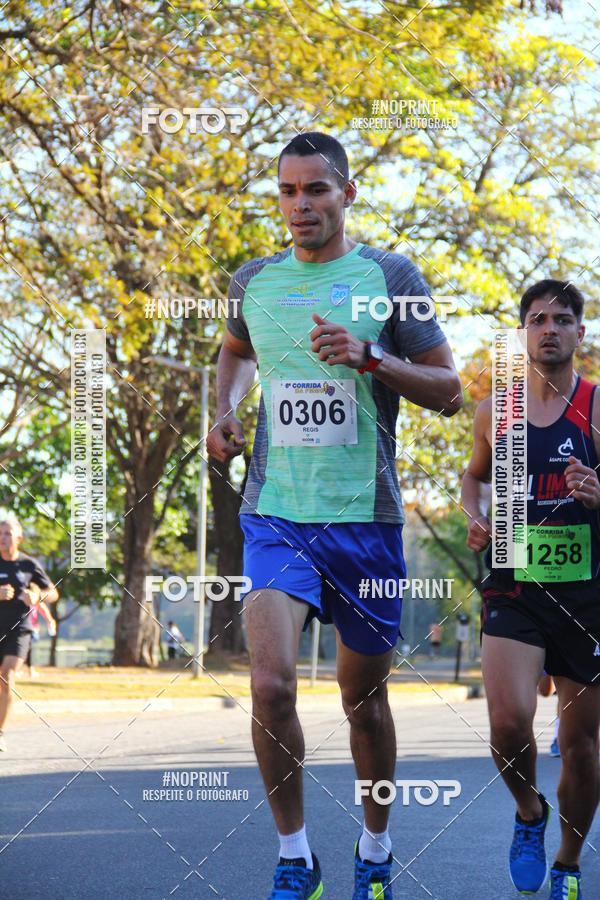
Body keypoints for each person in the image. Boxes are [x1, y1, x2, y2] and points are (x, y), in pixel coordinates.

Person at [207, 131, 462, 899]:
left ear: (347, 194)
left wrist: (370, 357)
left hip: (367, 523)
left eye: (316, 189)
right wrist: (224, 410)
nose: (301, 205)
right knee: (270, 686)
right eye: (288, 191)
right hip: (276, 514)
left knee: (363, 702)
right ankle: (295, 856)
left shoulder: (391, 276)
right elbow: (235, 350)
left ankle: (375, 847)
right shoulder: (253, 280)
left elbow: (451, 391)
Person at [461, 280, 600, 899]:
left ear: (579, 333)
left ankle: (568, 862)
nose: (549, 329)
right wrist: (474, 516)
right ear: (522, 334)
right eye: (538, 319)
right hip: (514, 583)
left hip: (587, 593)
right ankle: (528, 811)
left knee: (581, 746)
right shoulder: (496, 410)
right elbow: (473, 479)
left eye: (562, 319)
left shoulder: (596, 406)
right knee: (509, 723)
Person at [0, 516, 58, 751]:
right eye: (0, 533)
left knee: (6, 675)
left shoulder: (28, 565)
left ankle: (0, 732)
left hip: (20, 629)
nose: (3, 538)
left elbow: (53, 593)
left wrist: (37, 596)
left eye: (7, 533)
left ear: (19, 538)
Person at [22, 601, 57, 679]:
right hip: (24, 627)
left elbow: (42, 608)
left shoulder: (35, 599)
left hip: (31, 627)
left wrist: (50, 620)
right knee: (25, 649)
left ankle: (29, 670)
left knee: (27, 649)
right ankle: (28, 670)